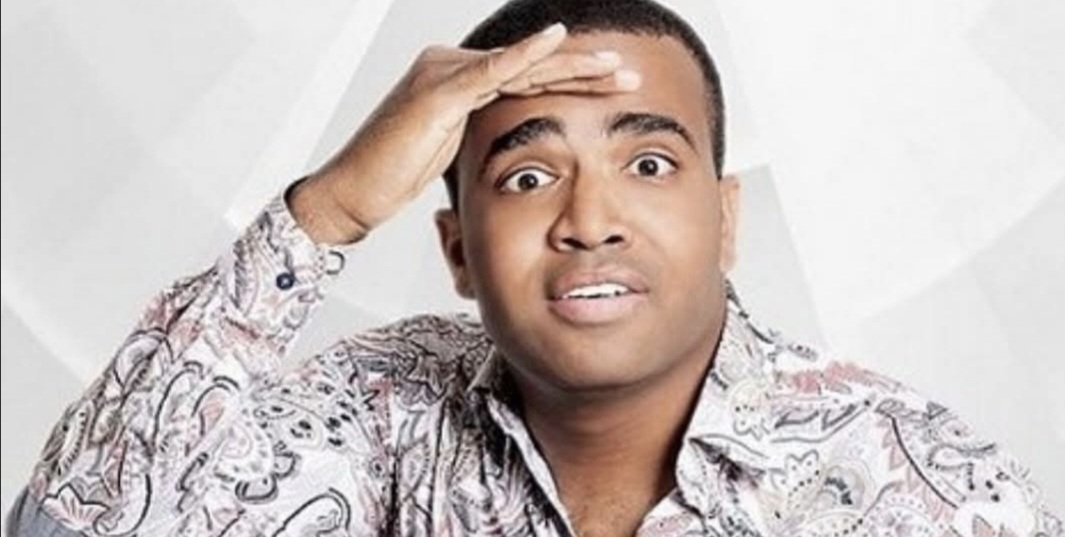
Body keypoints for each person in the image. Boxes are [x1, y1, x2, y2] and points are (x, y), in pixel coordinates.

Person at [6, 1, 1060, 536]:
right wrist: (328, 212)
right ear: (457, 250)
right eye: (526, 177)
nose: (589, 221)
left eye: (648, 164)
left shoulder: (921, 486)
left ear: (726, 217)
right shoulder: (374, 418)